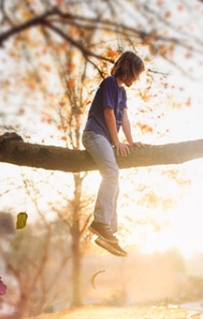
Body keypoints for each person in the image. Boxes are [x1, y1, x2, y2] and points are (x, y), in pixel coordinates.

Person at [82, 51, 145, 257]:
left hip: (106, 140)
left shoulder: (123, 93)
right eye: (135, 74)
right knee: (111, 174)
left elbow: (123, 118)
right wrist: (116, 141)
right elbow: (108, 112)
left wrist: (130, 140)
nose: (135, 79)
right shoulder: (110, 82)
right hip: (94, 134)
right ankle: (100, 222)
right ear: (128, 69)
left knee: (115, 179)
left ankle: (109, 232)